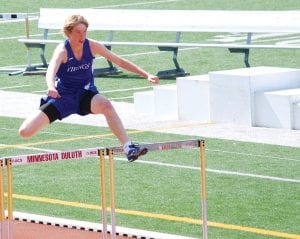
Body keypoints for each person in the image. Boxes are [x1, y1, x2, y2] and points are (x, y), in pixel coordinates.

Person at [19, 14, 159, 162]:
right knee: (25, 132)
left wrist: (146, 74)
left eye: (84, 31)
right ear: (68, 33)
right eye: (78, 32)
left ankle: (128, 147)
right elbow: (51, 71)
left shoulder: (92, 46)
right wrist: (51, 87)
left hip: (85, 94)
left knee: (106, 105)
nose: (82, 36)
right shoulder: (62, 50)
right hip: (62, 98)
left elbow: (119, 61)